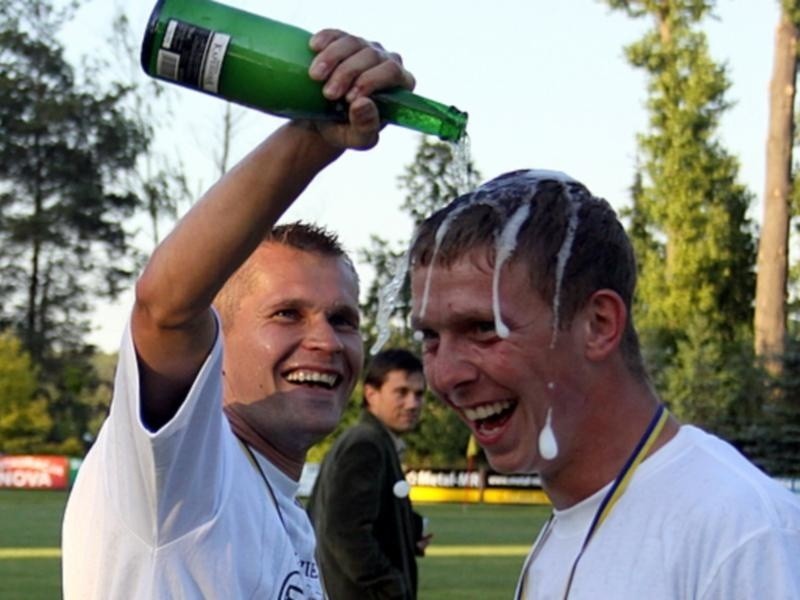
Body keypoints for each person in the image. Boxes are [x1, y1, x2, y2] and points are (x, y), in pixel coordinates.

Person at [61, 28, 416, 599]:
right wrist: (316, 139)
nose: (325, 340)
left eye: (343, 319)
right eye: (287, 314)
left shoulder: (275, 498)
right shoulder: (180, 476)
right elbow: (164, 307)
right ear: (216, 342)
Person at [406, 169, 800, 599]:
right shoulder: (570, 525)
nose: (445, 375)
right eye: (430, 337)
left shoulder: (742, 533)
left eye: (484, 328)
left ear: (598, 325)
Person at [308, 348, 431, 599]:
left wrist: (410, 531)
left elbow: (366, 516)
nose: (412, 403)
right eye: (401, 392)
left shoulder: (377, 441)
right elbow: (345, 532)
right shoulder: (366, 444)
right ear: (371, 394)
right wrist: (391, 586)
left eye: (419, 394)